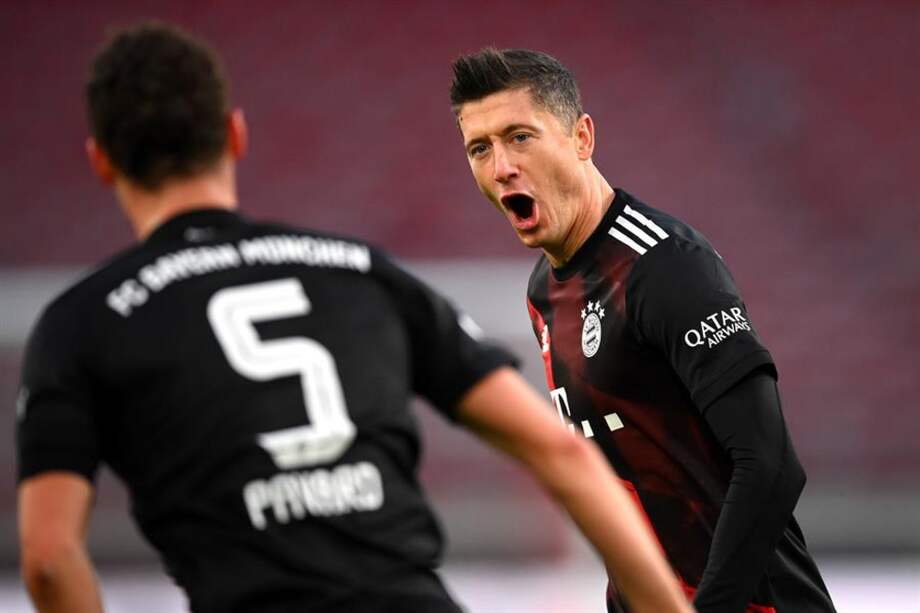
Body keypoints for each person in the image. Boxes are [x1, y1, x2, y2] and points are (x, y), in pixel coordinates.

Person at [15, 23, 692, 613]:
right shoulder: (354, 270)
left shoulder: (81, 323)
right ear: (234, 134)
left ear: (100, 161)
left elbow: (47, 558)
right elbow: (559, 449)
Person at [450, 48, 837, 613]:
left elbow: (771, 464)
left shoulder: (665, 265)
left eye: (520, 137)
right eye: (479, 148)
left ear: (581, 138)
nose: (501, 165)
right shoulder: (543, 292)